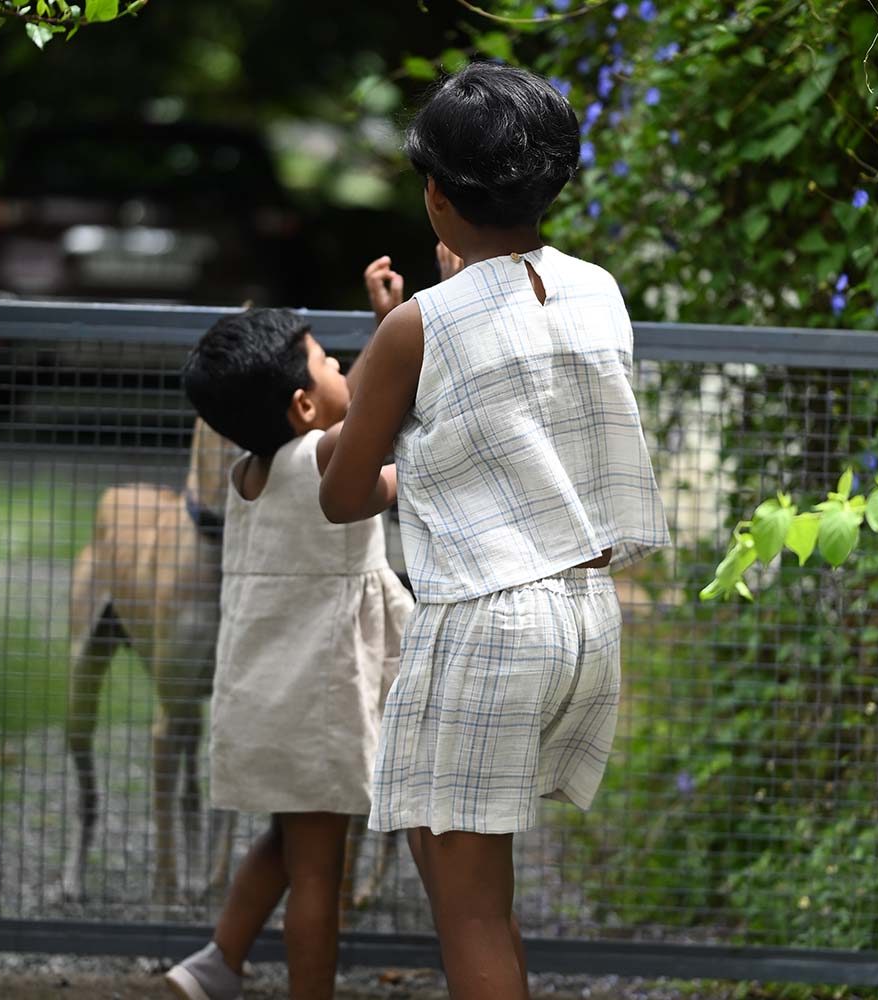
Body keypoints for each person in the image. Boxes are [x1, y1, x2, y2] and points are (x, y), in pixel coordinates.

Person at [319, 62, 671, 1000]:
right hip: (585, 614)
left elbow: (346, 495)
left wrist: (398, 336)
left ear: (436, 194)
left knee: (470, 915)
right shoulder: (598, 290)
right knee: (469, 887)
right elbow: (511, 426)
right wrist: (427, 315)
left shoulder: (420, 328)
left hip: (485, 622)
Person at [164, 305, 414, 1000]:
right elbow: (380, 437)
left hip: (268, 700)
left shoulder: (249, 475)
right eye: (330, 361)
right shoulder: (329, 458)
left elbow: (345, 404)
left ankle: (218, 960)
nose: (345, 368)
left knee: (286, 841)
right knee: (318, 876)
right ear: (304, 404)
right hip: (319, 709)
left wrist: (379, 326)